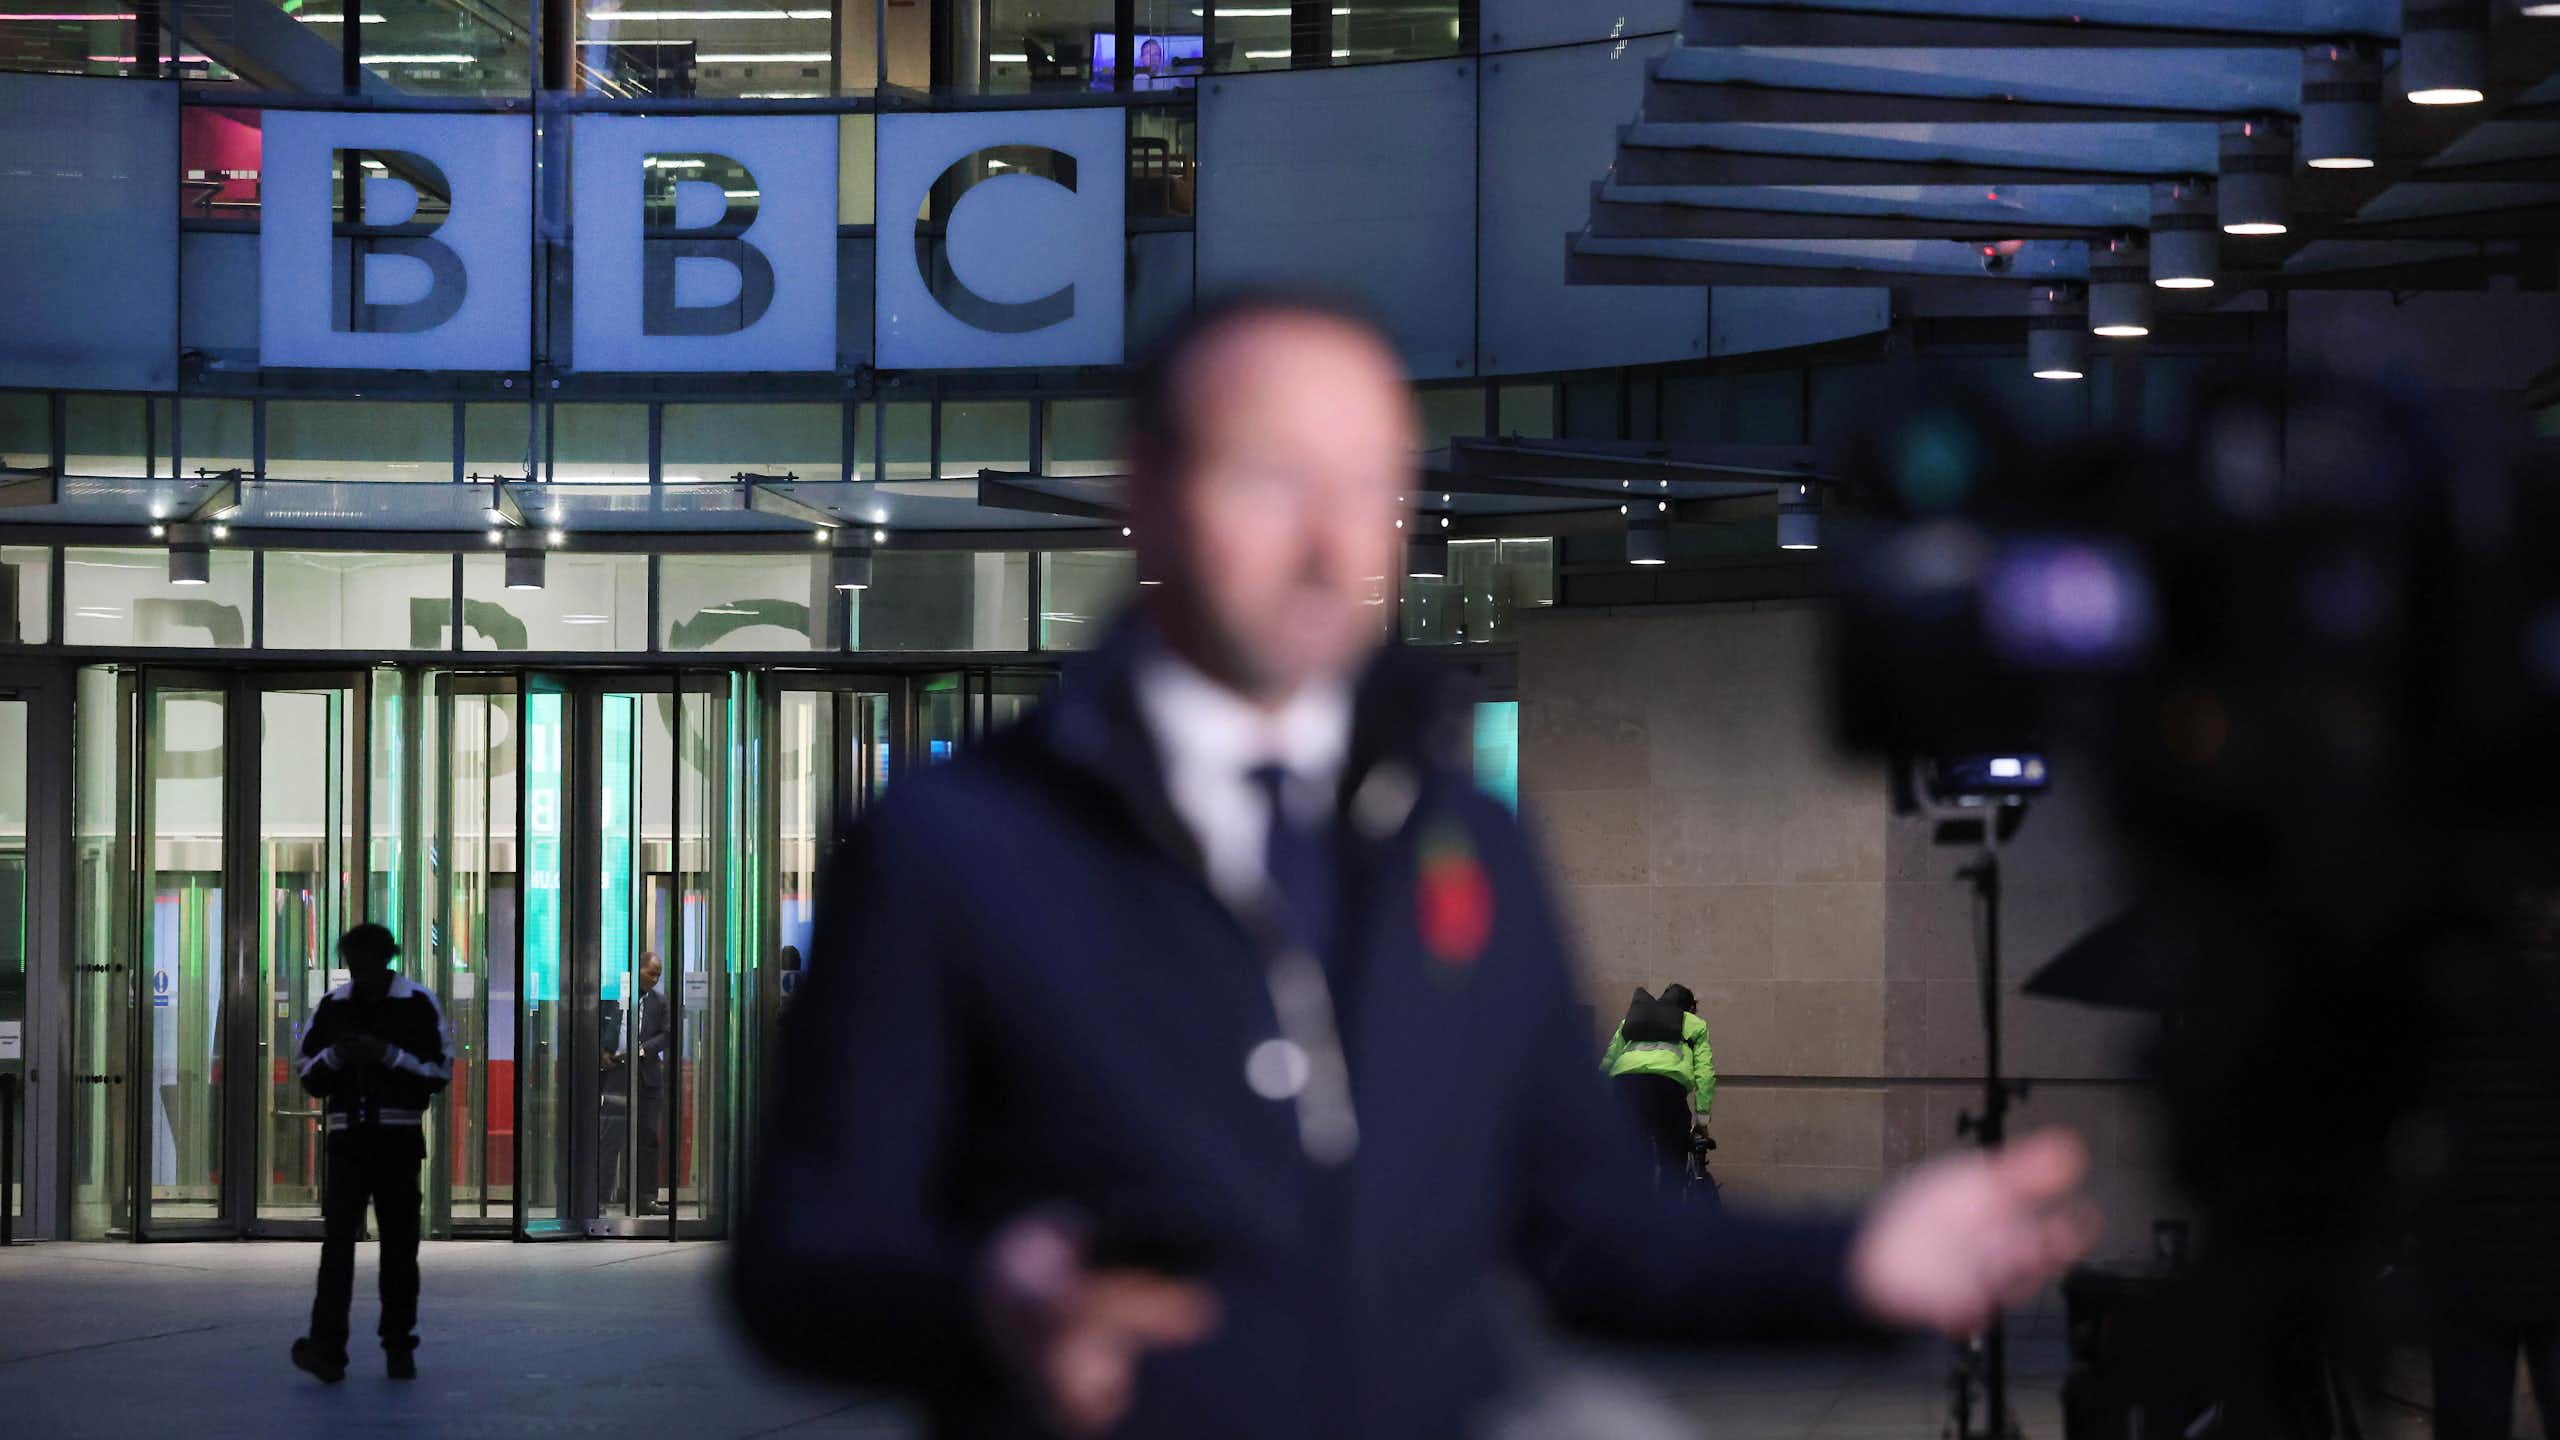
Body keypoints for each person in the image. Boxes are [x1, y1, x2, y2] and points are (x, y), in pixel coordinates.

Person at [733, 289, 2100, 1439]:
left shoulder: (1467, 841)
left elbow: (1600, 1238)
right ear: (1144, 494)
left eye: (1374, 486)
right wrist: (983, 1303)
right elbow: (797, 1269)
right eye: (1274, 478)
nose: (1335, 545)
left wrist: (1855, 1263)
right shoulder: (952, 846)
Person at [290, 923, 450, 1383]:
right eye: (355, 968)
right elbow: (308, 1072)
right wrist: (340, 1057)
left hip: (395, 1141)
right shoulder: (335, 1007)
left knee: (397, 1248)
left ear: (386, 962)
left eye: (367, 966)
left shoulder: (416, 1004)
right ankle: (334, 1349)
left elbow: (439, 1071)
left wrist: (386, 1055)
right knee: (339, 1248)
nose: (361, 975)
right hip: (349, 1139)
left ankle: (394, 1346)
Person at [1601, 982, 1715, 1186]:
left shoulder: (1632, 1019)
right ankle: (1668, 1211)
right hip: (1667, 1090)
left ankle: (1633, 1210)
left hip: (1625, 1087)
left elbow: (1608, 1060)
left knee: (1633, 1160)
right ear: (1690, 1008)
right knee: (1673, 1160)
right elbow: (1704, 1073)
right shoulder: (1693, 1023)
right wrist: (1702, 1120)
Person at [634, 951, 670, 1215]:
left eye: (658, 974)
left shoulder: (660, 1002)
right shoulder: (618, 997)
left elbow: (667, 1034)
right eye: (651, 973)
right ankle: (603, 1196)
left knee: (648, 1137)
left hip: (648, 1077)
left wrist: (644, 1050)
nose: (656, 979)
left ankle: (647, 1198)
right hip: (616, 1073)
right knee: (611, 1135)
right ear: (638, 970)